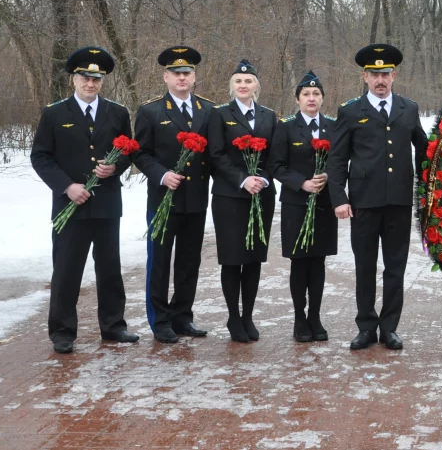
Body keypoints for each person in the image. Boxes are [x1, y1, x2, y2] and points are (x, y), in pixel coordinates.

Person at [30, 46, 138, 354]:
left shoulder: (117, 112)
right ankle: (62, 331)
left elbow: (129, 151)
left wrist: (116, 167)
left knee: (110, 268)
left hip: (106, 204)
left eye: (96, 79)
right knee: (66, 269)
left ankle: (114, 326)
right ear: (73, 80)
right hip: (70, 205)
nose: (90, 84)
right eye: (85, 78)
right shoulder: (54, 113)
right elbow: (40, 156)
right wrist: (67, 186)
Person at [328, 44, 428, 351]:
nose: (380, 80)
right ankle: (366, 327)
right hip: (364, 202)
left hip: (398, 201)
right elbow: (337, 158)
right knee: (365, 266)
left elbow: (425, 151)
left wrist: (429, 189)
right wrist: (339, 197)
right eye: (374, 75)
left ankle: (389, 328)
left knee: (395, 267)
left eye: (385, 74)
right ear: (365, 77)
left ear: (394, 75)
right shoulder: (350, 111)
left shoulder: (408, 108)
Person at [134, 46, 214, 343]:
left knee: (189, 262)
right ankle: (160, 321)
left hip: (195, 199)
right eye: (176, 73)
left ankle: (182, 316)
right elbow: (140, 153)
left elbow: (214, 154)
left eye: (187, 73)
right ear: (165, 77)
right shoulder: (151, 111)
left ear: (194, 77)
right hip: (163, 200)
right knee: (159, 262)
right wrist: (162, 174)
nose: (182, 77)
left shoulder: (208, 110)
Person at [207, 59, 277, 343]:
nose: (243, 85)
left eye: (248, 81)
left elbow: (275, 155)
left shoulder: (269, 116)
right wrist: (243, 179)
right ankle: (233, 317)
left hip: (262, 194)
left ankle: (248, 315)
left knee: (254, 258)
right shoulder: (219, 114)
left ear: (256, 85)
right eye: (238, 81)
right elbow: (215, 154)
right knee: (233, 258)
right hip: (230, 196)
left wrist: (262, 179)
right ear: (232, 86)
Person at [270, 70, 338, 343]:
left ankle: (315, 317)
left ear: (322, 98)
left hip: (324, 203)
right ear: (297, 99)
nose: (311, 98)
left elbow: (341, 161)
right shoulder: (286, 127)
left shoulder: (333, 126)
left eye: (316, 94)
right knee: (299, 262)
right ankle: (300, 318)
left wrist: (328, 176)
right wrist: (302, 183)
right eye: (306, 94)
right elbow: (276, 166)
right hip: (296, 204)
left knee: (318, 261)